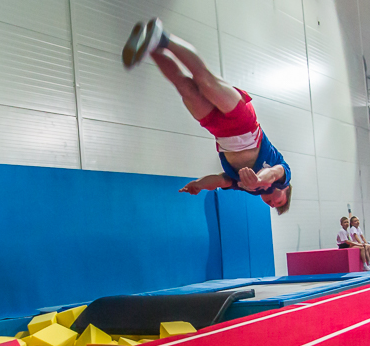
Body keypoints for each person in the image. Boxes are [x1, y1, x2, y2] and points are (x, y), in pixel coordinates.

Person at [123, 18, 291, 213]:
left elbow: (222, 180)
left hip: (219, 131)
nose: (272, 204)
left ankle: (151, 48)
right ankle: (163, 37)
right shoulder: (284, 174)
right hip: (244, 124)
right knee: (205, 81)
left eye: (272, 206)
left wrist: (200, 184)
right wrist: (259, 180)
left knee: (185, 88)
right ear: (286, 189)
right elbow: (273, 173)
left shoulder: (249, 188)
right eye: (279, 202)